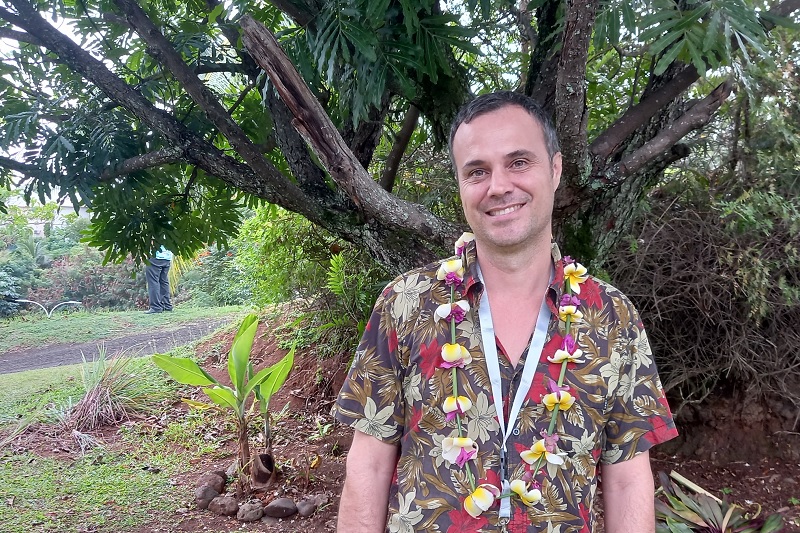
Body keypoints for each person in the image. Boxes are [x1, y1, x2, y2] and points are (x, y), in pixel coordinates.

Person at [333, 91, 678, 533]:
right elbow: (369, 465)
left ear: (555, 169)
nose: (498, 187)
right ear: (460, 184)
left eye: (518, 162)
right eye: (477, 171)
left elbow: (628, 479)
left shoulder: (613, 317)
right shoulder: (405, 304)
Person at [145, 245, 173, 314]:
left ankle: (156, 307)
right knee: (163, 281)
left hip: (156, 257)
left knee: (153, 282)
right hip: (167, 257)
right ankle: (166, 305)